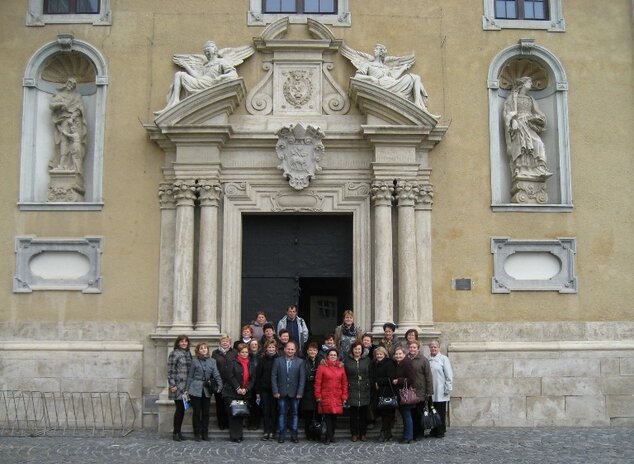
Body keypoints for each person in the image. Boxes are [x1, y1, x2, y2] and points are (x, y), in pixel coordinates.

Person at [341, 43, 431, 111]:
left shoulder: (386, 67)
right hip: (381, 85)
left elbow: (393, 77)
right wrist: (371, 78)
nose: (374, 50)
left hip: (392, 84)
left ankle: (417, 104)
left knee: (415, 77)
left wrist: (403, 68)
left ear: (381, 52)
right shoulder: (368, 64)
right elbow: (357, 77)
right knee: (414, 78)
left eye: (377, 49)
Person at [158, 41, 243, 113]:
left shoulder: (221, 62)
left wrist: (221, 78)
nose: (207, 53)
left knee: (180, 75)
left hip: (211, 83)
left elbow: (233, 74)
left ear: (215, 50)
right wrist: (187, 66)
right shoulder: (205, 65)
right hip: (201, 82)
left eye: (208, 50)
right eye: (205, 51)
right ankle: (175, 100)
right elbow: (198, 77)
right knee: (179, 74)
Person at [503, 76, 552, 181]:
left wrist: (541, 119)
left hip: (529, 123)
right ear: (523, 84)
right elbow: (507, 112)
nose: (531, 83)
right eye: (529, 81)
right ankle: (521, 169)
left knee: (538, 143)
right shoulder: (513, 97)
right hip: (519, 124)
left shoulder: (531, 99)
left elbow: (538, 112)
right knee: (521, 145)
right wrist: (512, 121)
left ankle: (540, 168)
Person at [49, 77, 87, 173]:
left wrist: (73, 117)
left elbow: (80, 109)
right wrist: (60, 104)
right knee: (64, 142)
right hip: (63, 120)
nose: (70, 85)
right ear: (66, 84)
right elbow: (51, 105)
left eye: (72, 84)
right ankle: (62, 164)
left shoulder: (77, 96)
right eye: (69, 83)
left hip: (74, 121)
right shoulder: (60, 95)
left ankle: (74, 167)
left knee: (75, 142)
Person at [186, 342, 223, 441]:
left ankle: (205, 433)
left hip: (207, 389)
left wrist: (220, 385)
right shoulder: (194, 361)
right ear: (198, 351)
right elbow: (190, 376)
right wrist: (187, 389)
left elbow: (216, 374)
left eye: (205, 348)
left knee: (206, 412)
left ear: (207, 350)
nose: (203, 350)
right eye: (201, 348)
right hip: (195, 388)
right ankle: (197, 433)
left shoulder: (212, 361)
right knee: (197, 412)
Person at [271, 341, 306, 443]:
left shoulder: (300, 362)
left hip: (295, 393)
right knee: (282, 413)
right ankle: (282, 434)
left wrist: (300, 392)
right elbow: (274, 377)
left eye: (292, 349)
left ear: (295, 350)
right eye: (288, 349)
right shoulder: (278, 361)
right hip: (281, 392)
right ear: (285, 349)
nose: (290, 351)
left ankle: (294, 434)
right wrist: (275, 391)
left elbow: (302, 378)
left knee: (294, 414)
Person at [222, 343, 255, 443]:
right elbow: (230, 376)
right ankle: (234, 436)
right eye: (242, 352)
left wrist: (246, 389)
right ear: (239, 353)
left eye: (246, 352)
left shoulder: (251, 363)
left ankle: (239, 435)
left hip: (244, 393)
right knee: (233, 413)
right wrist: (237, 388)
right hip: (232, 392)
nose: (244, 354)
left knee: (240, 413)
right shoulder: (233, 362)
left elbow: (252, 378)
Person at [314, 348, 348, 444]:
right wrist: (318, 395)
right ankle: (328, 437)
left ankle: (331, 435)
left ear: (337, 357)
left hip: (337, 396)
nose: (333, 356)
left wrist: (344, 396)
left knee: (334, 418)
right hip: (326, 395)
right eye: (331, 355)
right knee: (327, 417)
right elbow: (318, 382)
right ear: (327, 356)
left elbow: (344, 383)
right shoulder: (322, 367)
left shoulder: (341, 367)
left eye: (334, 355)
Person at [343, 341, 371, 442]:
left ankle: (363, 433)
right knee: (353, 414)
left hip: (364, 388)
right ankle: (354, 433)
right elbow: (344, 374)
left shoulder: (367, 360)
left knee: (363, 414)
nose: (357, 351)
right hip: (352, 388)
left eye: (359, 349)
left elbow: (370, 373)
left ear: (362, 350)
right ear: (352, 350)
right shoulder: (347, 360)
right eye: (355, 349)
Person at [167, 335, 192, 441]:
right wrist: (172, 384)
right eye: (182, 341)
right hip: (178, 386)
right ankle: (176, 432)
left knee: (182, 409)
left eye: (186, 341)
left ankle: (178, 432)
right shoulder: (174, 353)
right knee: (179, 409)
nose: (184, 343)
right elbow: (170, 370)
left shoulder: (188, 353)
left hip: (186, 387)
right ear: (178, 343)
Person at [407, 340, 433, 440]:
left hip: (420, 391)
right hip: (410, 391)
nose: (412, 349)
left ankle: (419, 433)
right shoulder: (406, 359)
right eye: (410, 347)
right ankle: (412, 433)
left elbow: (428, 376)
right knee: (412, 413)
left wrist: (429, 391)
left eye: (414, 347)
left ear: (418, 349)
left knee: (419, 413)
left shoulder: (423, 360)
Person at [428, 339, 453, 438]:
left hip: (441, 389)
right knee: (432, 410)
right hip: (431, 390)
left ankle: (440, 430)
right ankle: (433, 429)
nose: (433, 348)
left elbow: (449, 375)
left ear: (439, 348)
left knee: (440, 412)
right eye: (431, 347)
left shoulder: (444, 359)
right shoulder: (428, 359)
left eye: (435, 347)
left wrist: (448, 388)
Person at [370, 346, 397, 442]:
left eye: (381, 354)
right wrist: (375, 383)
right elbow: (371, 376)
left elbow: (391, 377)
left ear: (385, 354)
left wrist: (378, 382)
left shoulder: (389, 363)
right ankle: (388, 434)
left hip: (387, 392)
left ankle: (383, 433)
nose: (379, 356)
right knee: (382, 414)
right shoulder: (373, 363)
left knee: (387, 414)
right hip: (378, 393)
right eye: (377, 354)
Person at [255, 339, 279, 441]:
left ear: (276, 349)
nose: (271, 349)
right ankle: (266, 431)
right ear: (266, 349)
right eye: (269, 347)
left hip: (275, 390)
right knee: (265, 411)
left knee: (273, 411)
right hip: (264, 389)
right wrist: (257, 392)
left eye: (273, 347)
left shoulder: (279, 359)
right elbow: (258, 376)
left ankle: (273, 431)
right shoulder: (262, 360)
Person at [393, 346, 416, 444]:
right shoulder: (398, 363)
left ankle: (408, 437)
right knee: (404, 415)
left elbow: (411, 379)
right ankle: (407, 435)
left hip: (405, 394)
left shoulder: (407, 363)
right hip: (400, 393)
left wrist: (399, 381)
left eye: (400, 354)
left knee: (406, 415)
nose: (398, 356)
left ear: (404, 354)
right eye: (396, 354)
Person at [211, 335, 235, 431]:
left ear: (230, 343)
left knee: (229, 404)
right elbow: (213, 367)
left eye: (227, 341)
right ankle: (221, 423)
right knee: (219, 404)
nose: (225, 343)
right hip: (219, 382)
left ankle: (229, 423)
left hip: (231, 383)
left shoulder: (234, 352)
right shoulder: (215, 353)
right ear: (220, 343)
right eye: (223, 341)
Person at [301, 342, 320, 439]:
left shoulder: (321, 362)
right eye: (310, 350)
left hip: (318, 389)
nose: (312, 352)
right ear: (307, 351)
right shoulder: (303, 362)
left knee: (318, 413)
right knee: (308, 413)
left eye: (314, 350)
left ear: (317, 351)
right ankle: (308, 433)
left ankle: (317, 433)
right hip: (307, 390)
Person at [247, 339, 262, 430]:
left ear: (258, 345)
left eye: (255, 344)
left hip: (258, 383)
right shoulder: (247, 355)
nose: (254, 346)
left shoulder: (262, 356)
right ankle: (249, 422)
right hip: (248, 383)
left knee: (257, 404)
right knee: (249, 403)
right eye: (252, 344)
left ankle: (256, 423)